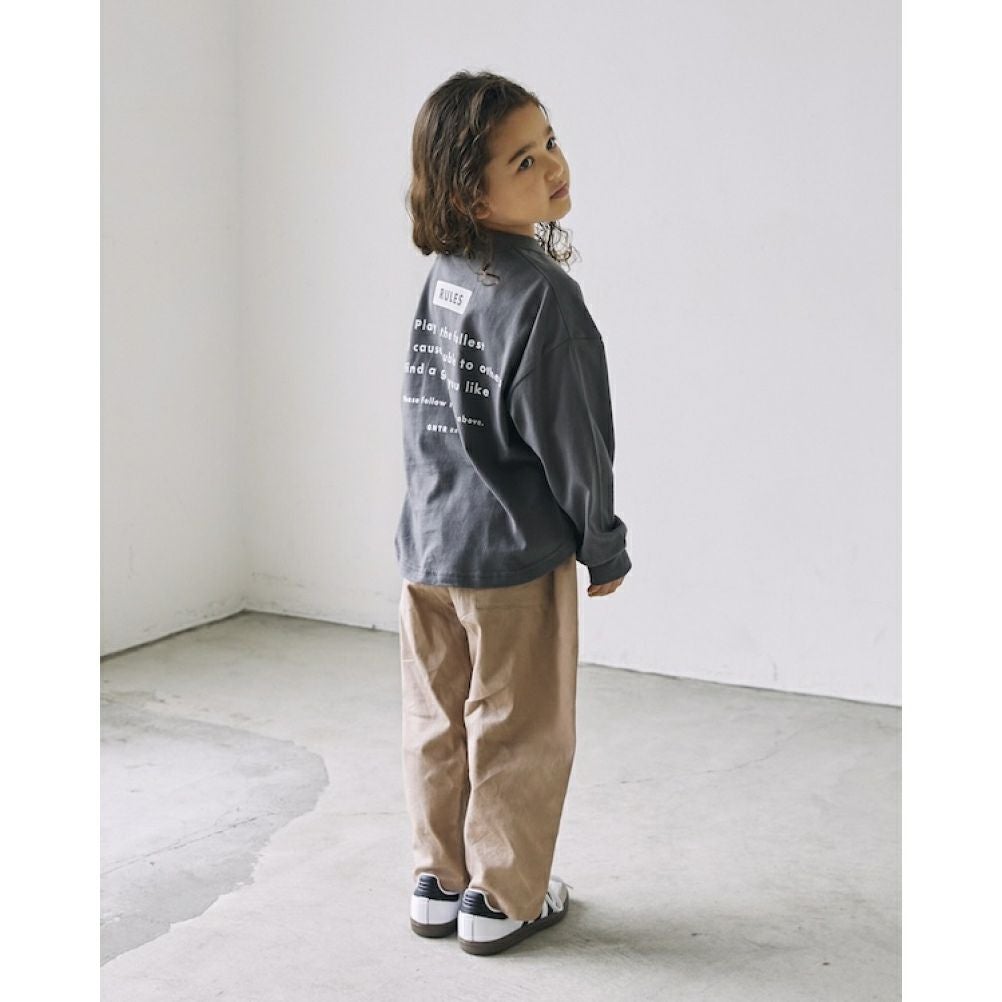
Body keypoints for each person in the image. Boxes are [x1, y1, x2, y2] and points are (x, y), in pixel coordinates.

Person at [395, 70, 632, 956]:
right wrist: (602, 545)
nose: (553, 166)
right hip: (511, 559)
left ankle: (438, 879)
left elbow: (426, 413)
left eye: (549, 142)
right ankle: (500, 898)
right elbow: (575, 441)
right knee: (520, 728)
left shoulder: (445, 275)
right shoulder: (544, 298)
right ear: (470, 192)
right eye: (524, 160)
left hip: (428, 547)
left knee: (438, 719)